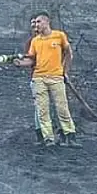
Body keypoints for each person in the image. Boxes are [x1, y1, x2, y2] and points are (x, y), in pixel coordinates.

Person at [14, 11, 79, 147]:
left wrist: (64, 71)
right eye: (35, 22)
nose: (36, 25)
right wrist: (20, 63)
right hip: (39, 79)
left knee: (62, 108)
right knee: (43, 111)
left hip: (56, 78)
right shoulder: (35, 41)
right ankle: (48, 138)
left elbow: (69, 54)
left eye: (38, 22)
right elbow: (31, 60)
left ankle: (70, 136)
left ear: (46, 21)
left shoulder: (59, 36)